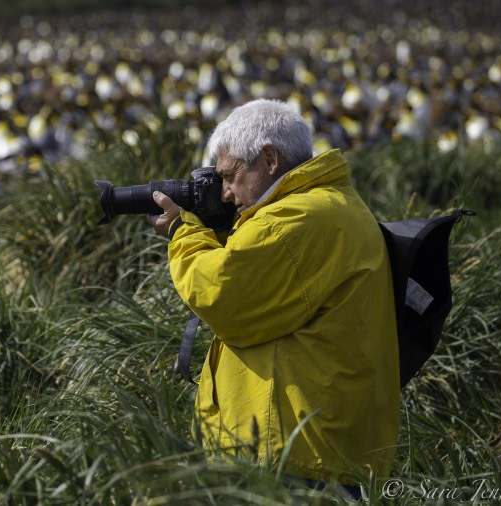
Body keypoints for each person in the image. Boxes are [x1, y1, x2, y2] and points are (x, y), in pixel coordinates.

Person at [147, 99, 400, 493]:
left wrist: (184, 232)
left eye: (230, 176)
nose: (226, 194)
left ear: (269, 159)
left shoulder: (293, 220)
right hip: (311, 448)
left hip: (294, 458)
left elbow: (219, 291)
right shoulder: (328, 205)